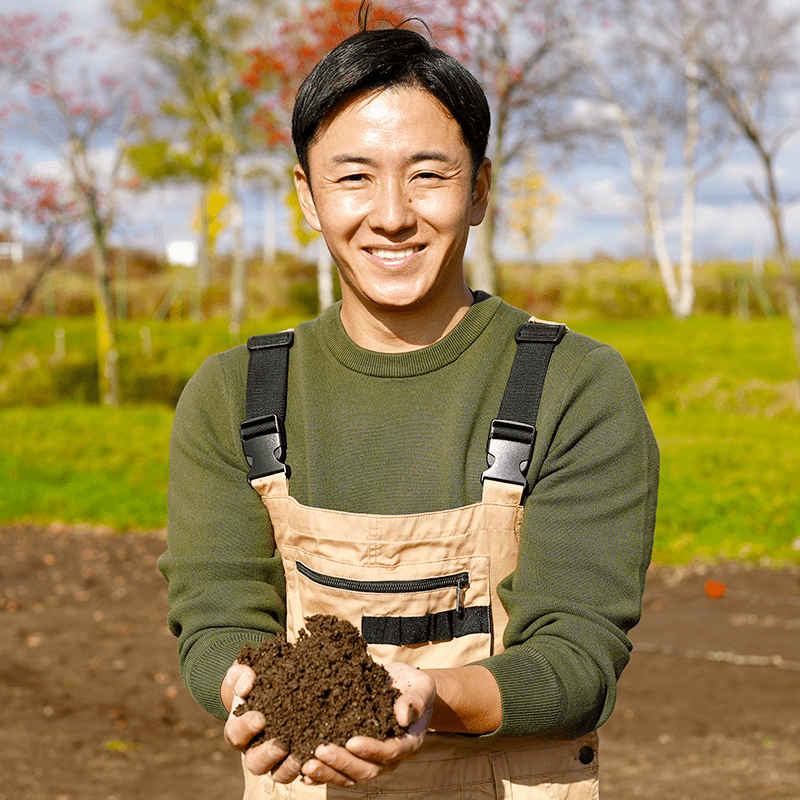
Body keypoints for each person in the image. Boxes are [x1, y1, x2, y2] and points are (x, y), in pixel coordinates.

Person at [160, 22, 659, 800]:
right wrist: (253, 696)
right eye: (353, 177)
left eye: (428, 174)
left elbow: (577, 656)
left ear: (481, 190)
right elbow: (216, 621)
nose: (391, 215)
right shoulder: (234, 396)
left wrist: (428, 700)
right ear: (306, 197)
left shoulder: (576, 386)